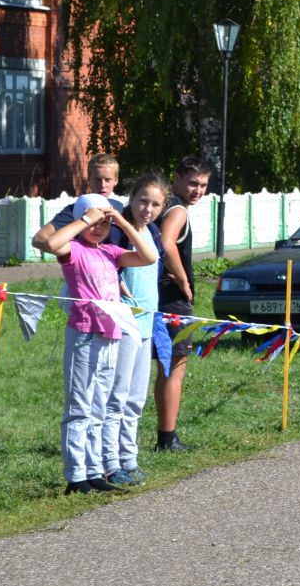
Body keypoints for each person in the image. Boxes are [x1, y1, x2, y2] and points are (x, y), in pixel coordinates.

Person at [45, 192, 160, 492]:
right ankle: (76, 475)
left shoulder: (110, 251)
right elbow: (52, 243)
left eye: (103, 224)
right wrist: (86, 218)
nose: (98, 228)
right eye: (94, 223)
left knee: (98, 406)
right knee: (79, 406)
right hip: (84, 334)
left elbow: (150, 257)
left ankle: (95, 471)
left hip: (111, 333)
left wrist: (120, 220)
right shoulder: (73, 250)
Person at [99, 173, 168, 486]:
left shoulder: (152, 231)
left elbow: (155, 267)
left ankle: (129, 459)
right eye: (143, 201)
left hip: (147, 324)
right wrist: (116, 280)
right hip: (124, 324)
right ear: (132, 198)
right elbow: (102, 262)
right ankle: (110, 464)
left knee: (136, 398)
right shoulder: (117, 231)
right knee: (117, 396)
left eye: (155, 204)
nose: (147, 209)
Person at [153, 156, 212, 453]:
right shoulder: (177, 210)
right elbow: (166, 244)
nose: (197, 190)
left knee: (164, 368)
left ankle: (164, 436)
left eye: (203, 185)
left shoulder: (161, 205)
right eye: (192, 183)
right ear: (176, 179)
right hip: (173, 302)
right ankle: (168, 439)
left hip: (154, 297)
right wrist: (183, 280)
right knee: (174, 369)